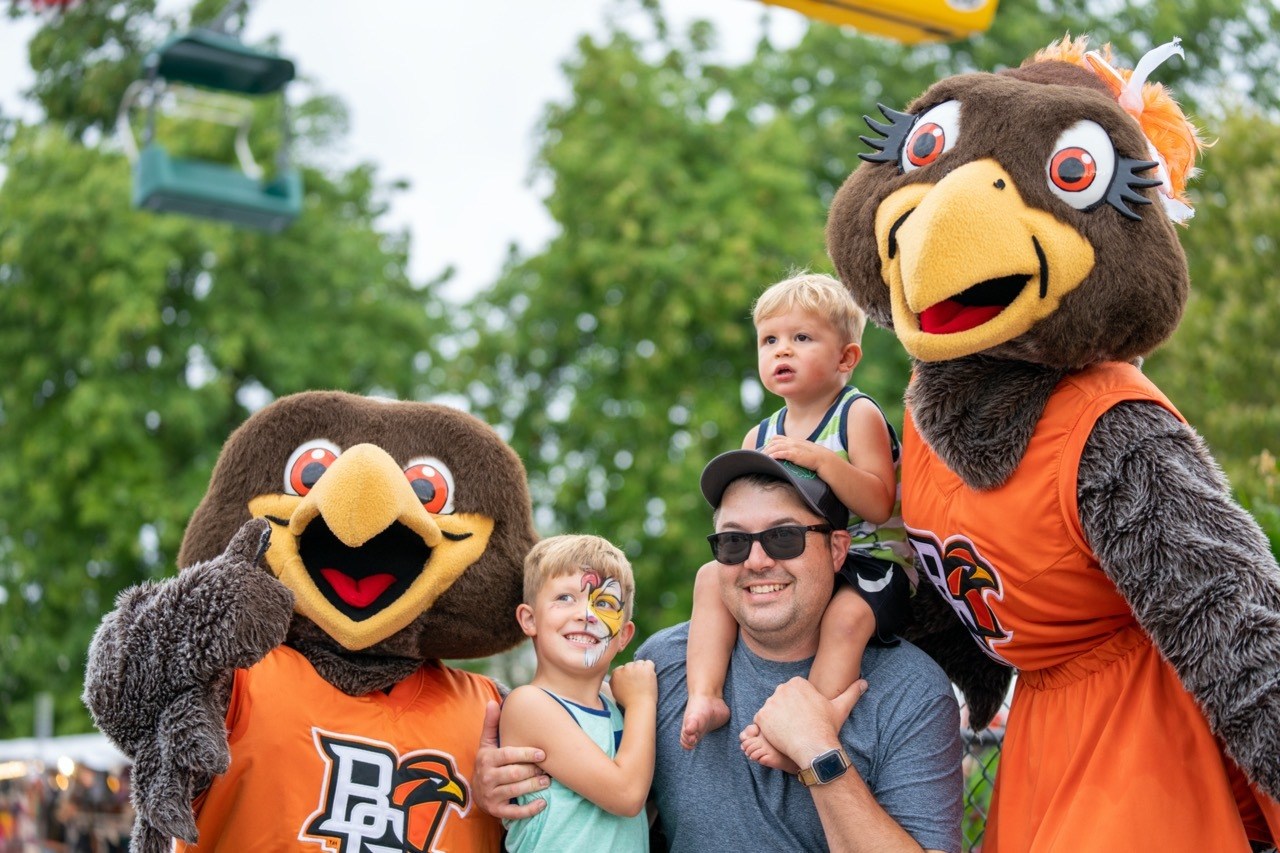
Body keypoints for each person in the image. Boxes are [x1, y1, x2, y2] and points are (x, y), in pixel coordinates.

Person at [476, 452, 962, 853]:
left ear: (837, 549)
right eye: (733, 542)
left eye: (784, 537)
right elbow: (594, 774)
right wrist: (500, 779)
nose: (756, 560)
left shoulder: (909, 690)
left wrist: (819, 752)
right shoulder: (664, 665)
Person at [681, 272, 917, 770]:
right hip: (802, 556)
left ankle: (812, 726)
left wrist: (824, 462)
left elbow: (878, 503)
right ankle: (706, 692)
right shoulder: (760, 432)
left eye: (801, 338)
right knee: (709, 577)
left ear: (845, 358)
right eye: (770, 340)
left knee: (846, 618)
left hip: (872, 560)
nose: (781, 351)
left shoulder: (857, 415)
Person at [497, 534, 656, 852]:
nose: (587, 614)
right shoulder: (529, 704)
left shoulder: (615, 706)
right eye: (565, 598)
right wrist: (642, 701)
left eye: (605, 603)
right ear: (530, 619)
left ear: (623, 636)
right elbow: (626, 795)